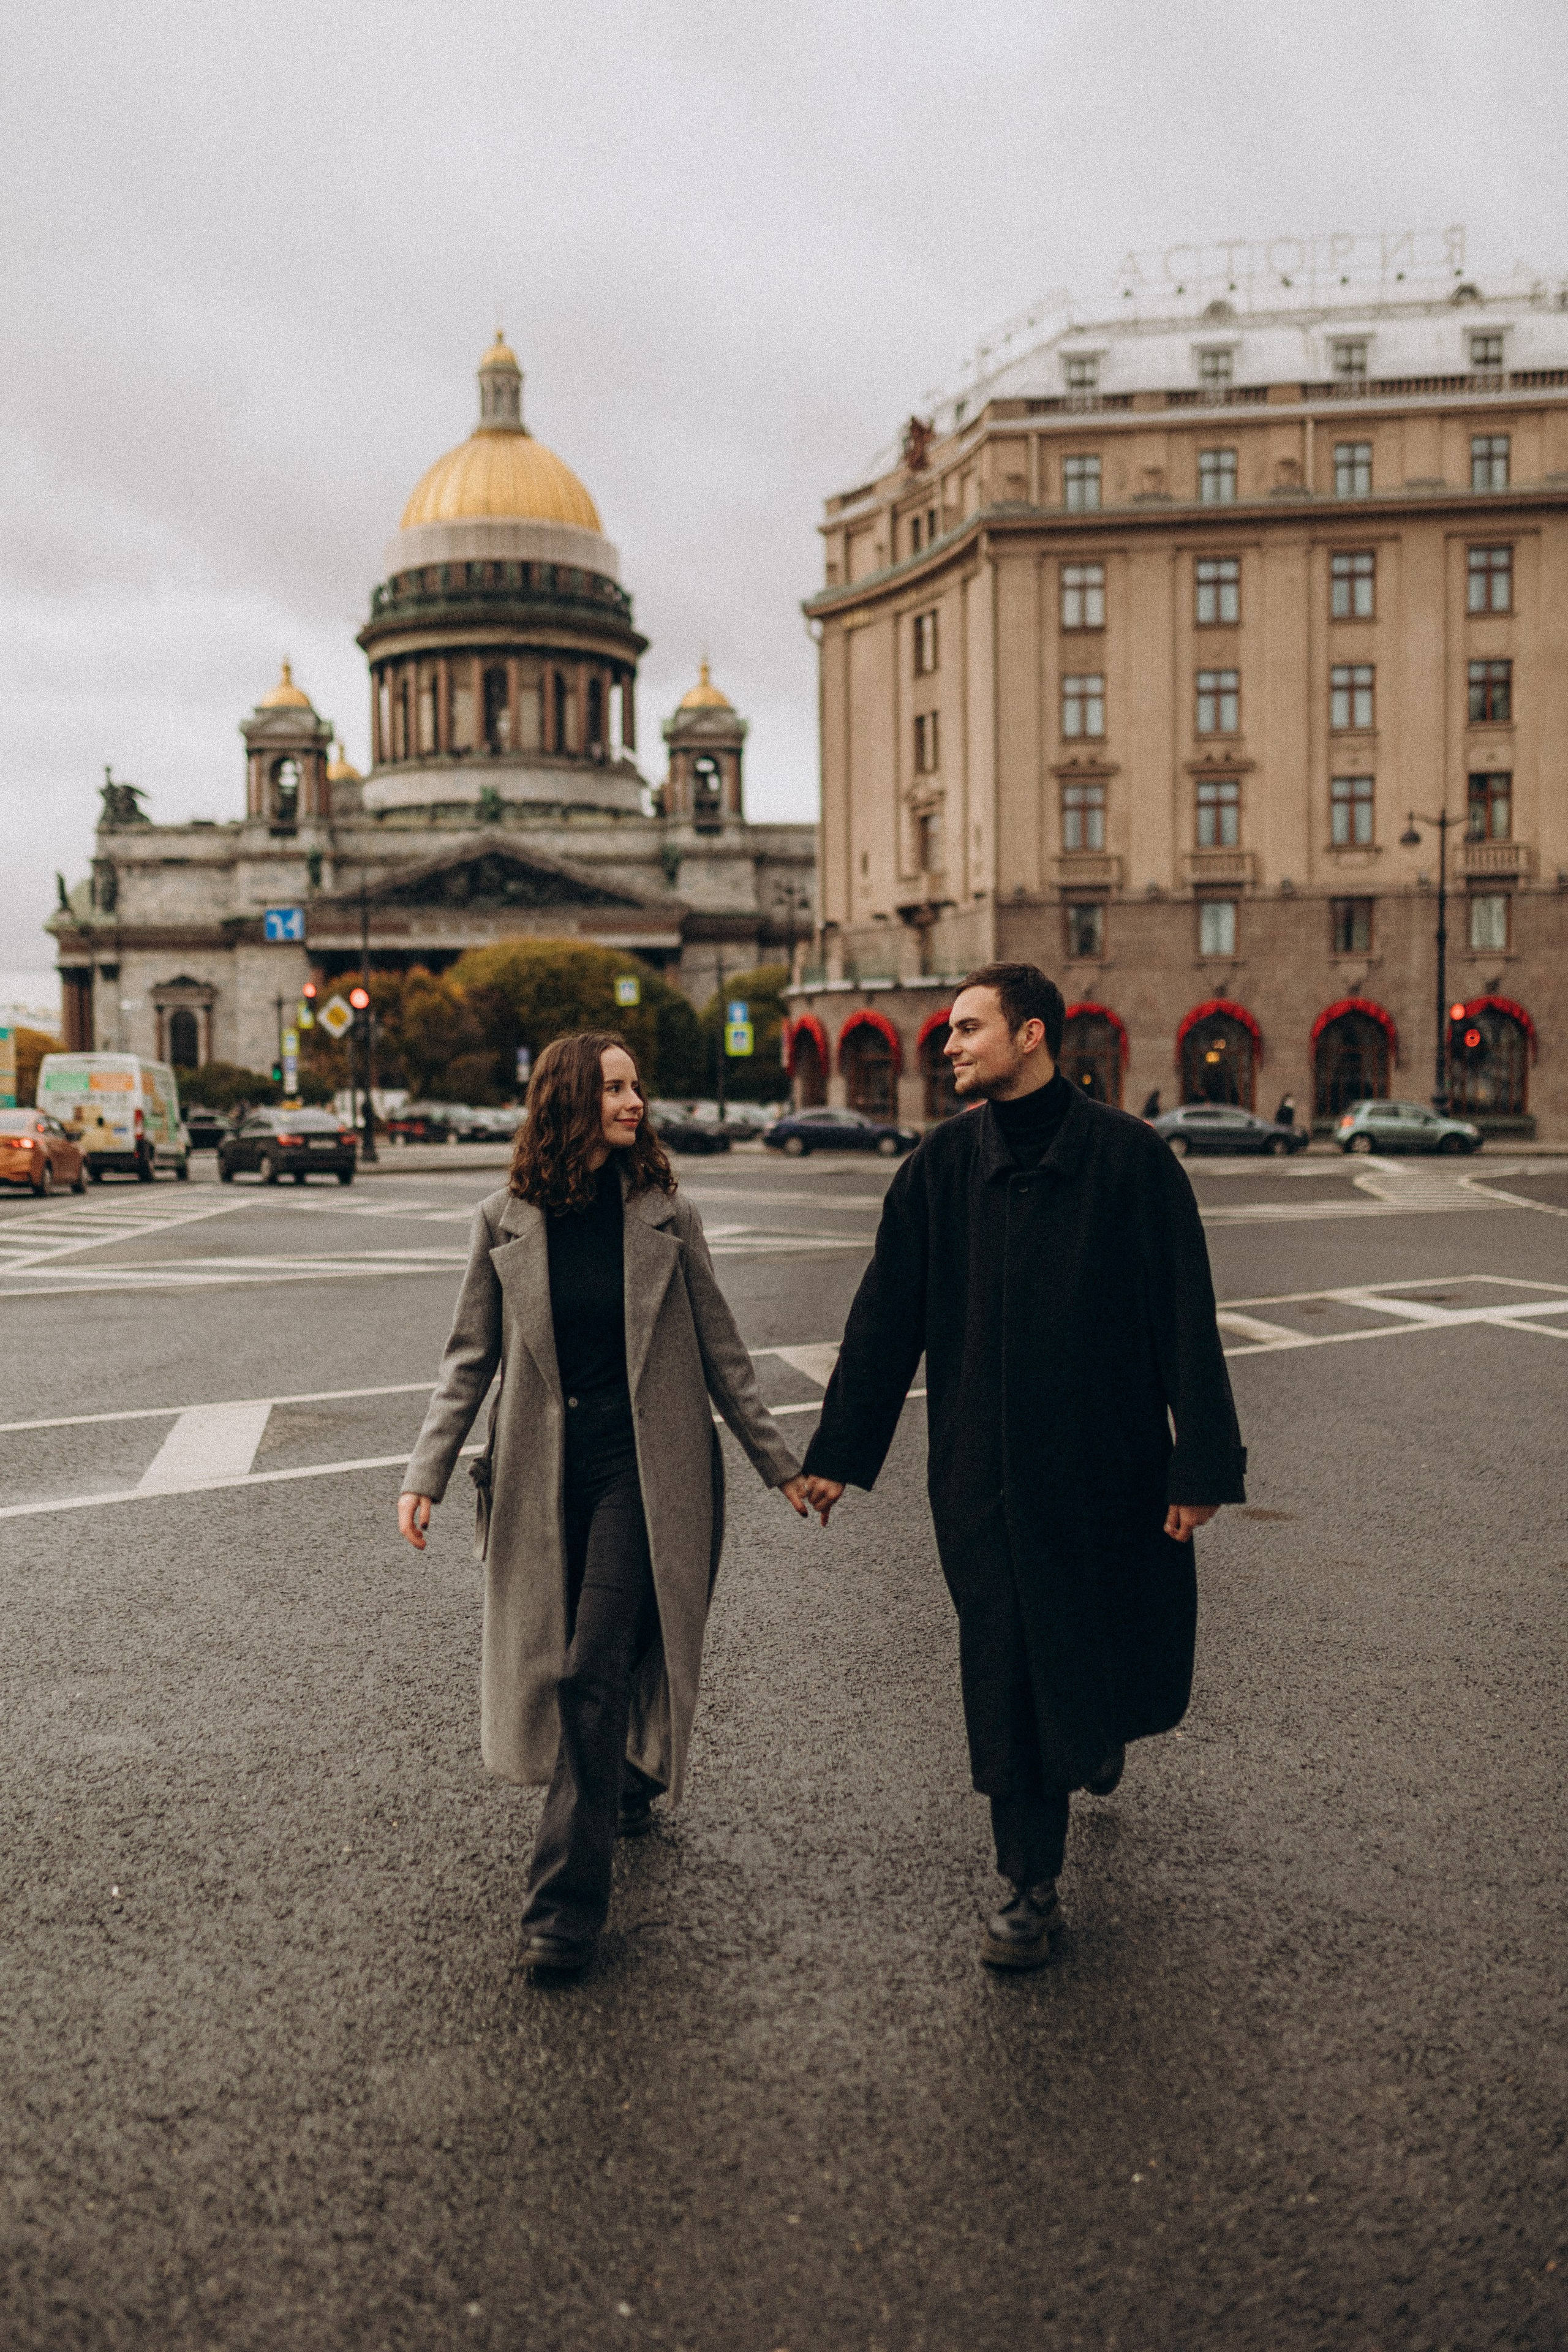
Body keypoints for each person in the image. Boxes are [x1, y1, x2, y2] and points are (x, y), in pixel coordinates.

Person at [801, 963, 1245, 1972]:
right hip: (980, 1472)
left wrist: (1199, 1465)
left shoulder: (1133, 1163)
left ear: (1032, 1035)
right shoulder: (938, 1168)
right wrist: (837, 1453)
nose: (947, 1046)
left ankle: (1095, 1734)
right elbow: (884, 1322)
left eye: (968, 1029)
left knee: (1089, 1640)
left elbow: (1187, 1316)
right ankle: (1028, 1885)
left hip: (1109, 1468)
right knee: (1004, 1660)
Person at [398, 1030, 808, 1980]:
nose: (634, 1101)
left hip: (645, 1469)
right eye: (614, 1088)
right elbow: (469, 1362)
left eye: (636, 1087)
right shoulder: (504, 1220)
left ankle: (562, 1909)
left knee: (591, 1666)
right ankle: (620, 1776)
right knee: (572, 1659)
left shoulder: (667, 1213)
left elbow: (723, 1353)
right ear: (570, 1101)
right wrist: (425, 1473)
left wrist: (779, 1464)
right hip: (545, 1472)